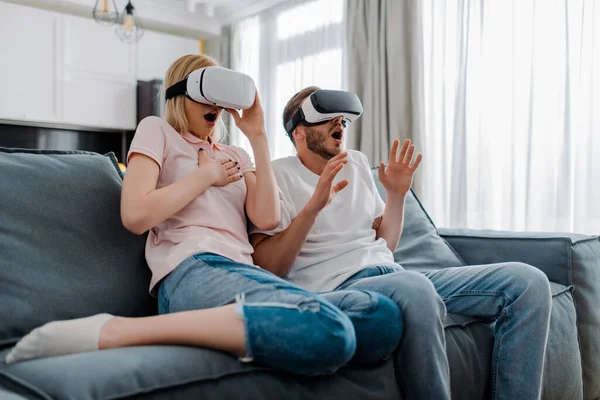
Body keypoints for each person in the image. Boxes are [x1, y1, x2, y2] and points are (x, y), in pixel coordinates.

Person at [5, 56, 403, 374]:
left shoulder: (237, 154)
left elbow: (265, 219)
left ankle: (259, 330)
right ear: (181, 94)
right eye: (206, 93)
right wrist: (205, 176)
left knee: (381, 319)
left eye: (221, 98)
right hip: (192, 270)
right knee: (331, 328)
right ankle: (117, 330)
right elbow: (136, 214)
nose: (216, 106)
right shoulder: (157, 131)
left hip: (245, 272)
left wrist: (258, 136)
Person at [249, 86, 553, 399]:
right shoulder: (275, 176)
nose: (339, 123)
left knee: (528, 283)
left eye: (342, 120)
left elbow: (385, 246)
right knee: (416, 289)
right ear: (298, 131)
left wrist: (396, 194)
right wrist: (313, 207)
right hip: (340, 288)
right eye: (327, 118)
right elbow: (271, 265)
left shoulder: (355, 163)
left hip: (394, 276)